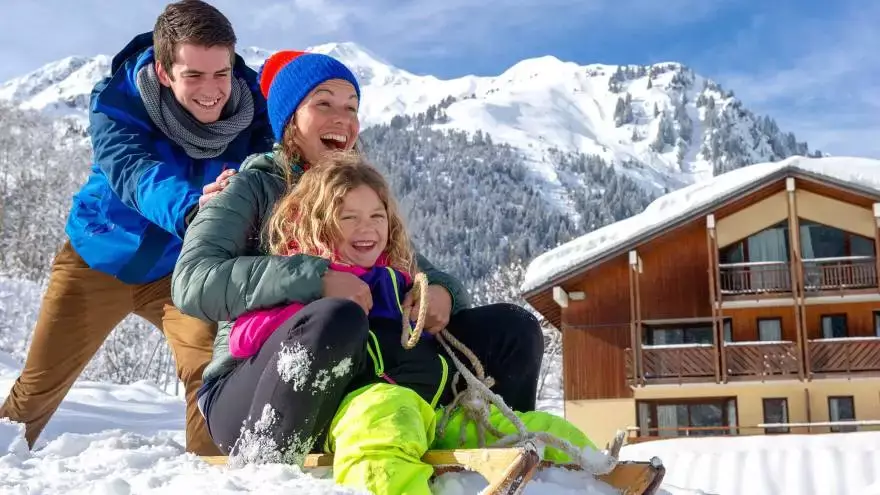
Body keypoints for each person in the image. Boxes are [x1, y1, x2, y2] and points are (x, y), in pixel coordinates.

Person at [186, 150, 598, 494]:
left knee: (533, 428)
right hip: (350, 413)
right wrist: (313, 292)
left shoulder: (398, 282)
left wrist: (436, 298)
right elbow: (241, 332)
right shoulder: (298, 278)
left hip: (427, 414)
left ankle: (588, 476)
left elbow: (438, 289)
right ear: (316, 223)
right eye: (347, 218)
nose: (365, 228)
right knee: (383, 427)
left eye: (376, 216)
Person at [0, 0, 273, 457]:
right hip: (99, 259)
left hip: (182, 269)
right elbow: (135, 173)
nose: (212, 91)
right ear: (165, 72)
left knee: (209, 374)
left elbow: (270, 166)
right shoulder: (117, 102)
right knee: (36, 390)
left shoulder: (253, 111)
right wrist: (193, 210)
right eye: (194, 76)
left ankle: (213, 476)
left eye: (221, 74)